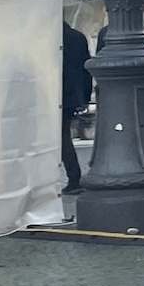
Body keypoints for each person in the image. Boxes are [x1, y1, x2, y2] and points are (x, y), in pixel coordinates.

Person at [60, 20, 93, 195]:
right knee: (63, 136)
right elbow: (86, 69)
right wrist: (85, 97)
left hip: (57, 94)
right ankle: (73, 177)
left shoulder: (51, 39)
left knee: (62, 138)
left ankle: (74, 177)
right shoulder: (78, 37)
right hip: (73, 95)